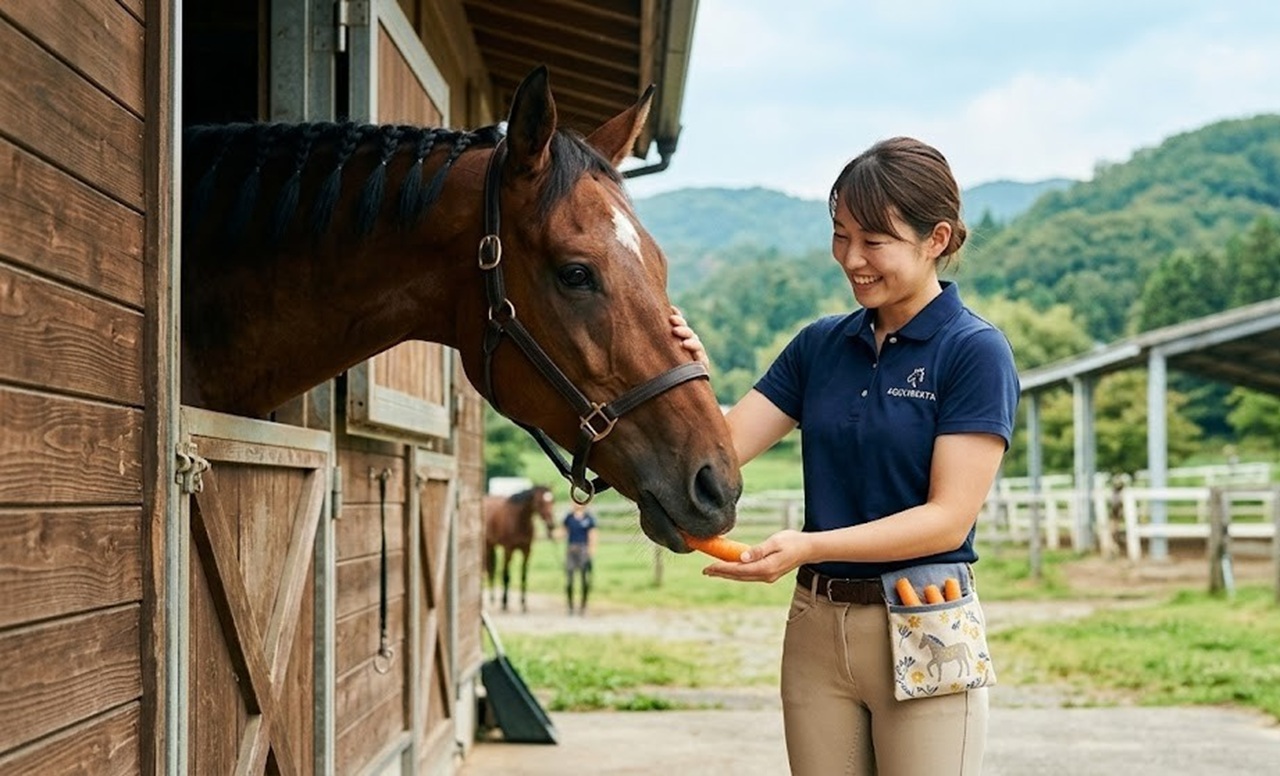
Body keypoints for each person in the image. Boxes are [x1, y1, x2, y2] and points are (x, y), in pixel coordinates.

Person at [671, 136, 1020, 775]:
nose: (851, 258)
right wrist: (686, 380)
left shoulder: (973, 352)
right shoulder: (819, 347)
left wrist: (810, 545)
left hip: (926, 615)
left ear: (936, 239)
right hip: (815, 626)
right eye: (840, 235)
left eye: (874, 240)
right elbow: (726, 447)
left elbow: (947, 518)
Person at [563, 501, 598, 615]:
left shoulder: (588, 519)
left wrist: (591, 550)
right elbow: (563, 532)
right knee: (569, 580)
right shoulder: (569, 517)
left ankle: (583, 606)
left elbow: (592, 535)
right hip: (571, 549)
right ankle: (570, 606)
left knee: (584, 579)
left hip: (583, 549)